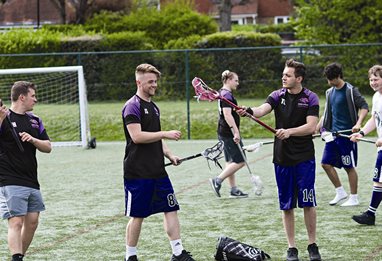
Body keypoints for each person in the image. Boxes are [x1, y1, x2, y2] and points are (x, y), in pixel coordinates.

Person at [239, 59, 321, 261]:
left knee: (308, 203)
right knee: (287, 205)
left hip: (304, 158)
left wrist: (290, 132)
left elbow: (311, 127)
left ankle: (312, 245)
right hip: (282, 158)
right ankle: (291, 248)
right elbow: (261, 110)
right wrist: (248, 111)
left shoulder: (311, 98)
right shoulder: (277, 95)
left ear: (299, 78)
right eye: (283, 74)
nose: (284, 77)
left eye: (288, 75)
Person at [122, 63, 195, 261]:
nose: (154, 85)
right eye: (150, 82)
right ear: (139, 82)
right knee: (138, 216)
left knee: (171, 208)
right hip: (137, 172)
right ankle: (131, 256)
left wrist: (170, 155)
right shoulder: (132, 106)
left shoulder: (154, 107)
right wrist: (165, 133)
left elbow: (156, 139)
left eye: (155, 81)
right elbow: (136, 136)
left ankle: (178, 252)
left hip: (158, 171)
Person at [0, 81, 52, 261]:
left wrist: (32, 140)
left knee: (32, 223)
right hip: (9, 179)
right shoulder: (3, 117)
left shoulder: (35, 120)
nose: (35, 100)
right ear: (22, 97)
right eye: (33, 96)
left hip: (31, 179)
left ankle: (19, 255)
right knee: (16, 221)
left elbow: (48, 147)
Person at [316, 62, 369, 207]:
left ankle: (354, 197)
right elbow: (328, 112)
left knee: (348, 166)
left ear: (338, 76)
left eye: (330, 78)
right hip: (332, 135)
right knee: (325, 164)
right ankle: (340, 192)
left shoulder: (351, 91)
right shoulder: (329, 92)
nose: (328, 82)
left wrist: (358, 124)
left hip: (347, 137)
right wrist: (319, 126)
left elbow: (364, 107)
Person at [209, 70, 253, 198]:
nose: (237, 83)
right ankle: (217, 180)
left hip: (224, 132)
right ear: (228, 80)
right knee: (240, 161)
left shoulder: (223, 93)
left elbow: (229, 112)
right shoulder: (226, 95)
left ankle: (233, 189)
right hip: (228, 133)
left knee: (230, 161)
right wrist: (236, 132)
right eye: (236, 80)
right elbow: (227, 115)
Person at [351, 65, 382, 225]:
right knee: (379, 180)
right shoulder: (377, 97)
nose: (373, 82)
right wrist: (361, 133)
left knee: (379, 180)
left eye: (376, 79)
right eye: (371, 79)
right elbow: (374, 120)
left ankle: (370, 214)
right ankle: (370, 214)